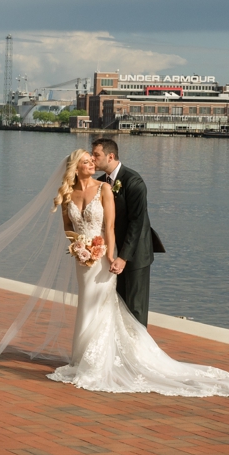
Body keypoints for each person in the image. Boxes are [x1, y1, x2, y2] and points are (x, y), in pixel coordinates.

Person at [44, 149, 229, 396]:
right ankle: (81, 359)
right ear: (75, 167)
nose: (92, 163)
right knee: (85, 305)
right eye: (86, 161)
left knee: (103, 306)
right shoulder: (68, 194)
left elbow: (111, 227)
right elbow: (68, 229)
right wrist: (78, 247)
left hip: (102, 257)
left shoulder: (104, 188)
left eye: (93, 159)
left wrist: (110, 255)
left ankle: (99, 360)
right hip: (82, 261)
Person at [89, 138, 164, 326]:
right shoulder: (99, 183)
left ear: (110, 156)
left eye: (96, 155)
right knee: (117, 304)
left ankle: (138, 352)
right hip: (111, 253)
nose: (92, 158)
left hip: (134, 253)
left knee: (134, 307)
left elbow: (137, 223)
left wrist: (123, 257)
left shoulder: (133, 181)